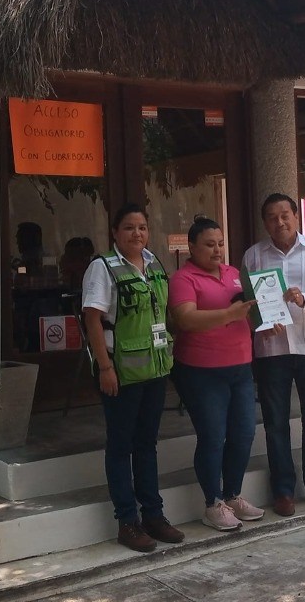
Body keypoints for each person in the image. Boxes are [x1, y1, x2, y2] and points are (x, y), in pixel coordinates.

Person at [81, 204, 183, 552]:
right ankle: (127, 521)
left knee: (146, 444)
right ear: (115, 232)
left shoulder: (153, 264)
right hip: (121, 374)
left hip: (154, 370)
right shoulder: (102, 267)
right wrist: (105, 368)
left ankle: (153, 515)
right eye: (128, 227)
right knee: (121, 446)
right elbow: (93, 319)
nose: (136, 233)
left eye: (142, 227)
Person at [243, 193, 305, 516]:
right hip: (272, 350)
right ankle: (283, 491)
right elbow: (247, 302)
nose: (280, 222)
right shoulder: (254, 256)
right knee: (275, 422)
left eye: (285, 215)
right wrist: (259, 324)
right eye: (272, 217)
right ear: (265, 223)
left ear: (296, 216)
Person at [167, 217, 262, 531]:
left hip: (240, 367)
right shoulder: (183, 279)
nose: (217, 250)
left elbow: (249, 314)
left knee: (244, 433)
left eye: (220, 243)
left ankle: (233, 495)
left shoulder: (234, 274)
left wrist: (266, 321)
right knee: (212, 436)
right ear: (192, 247)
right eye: (209, 244)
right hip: (201, 371)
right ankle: (213, 502)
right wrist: (228, 315)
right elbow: (185, 319)